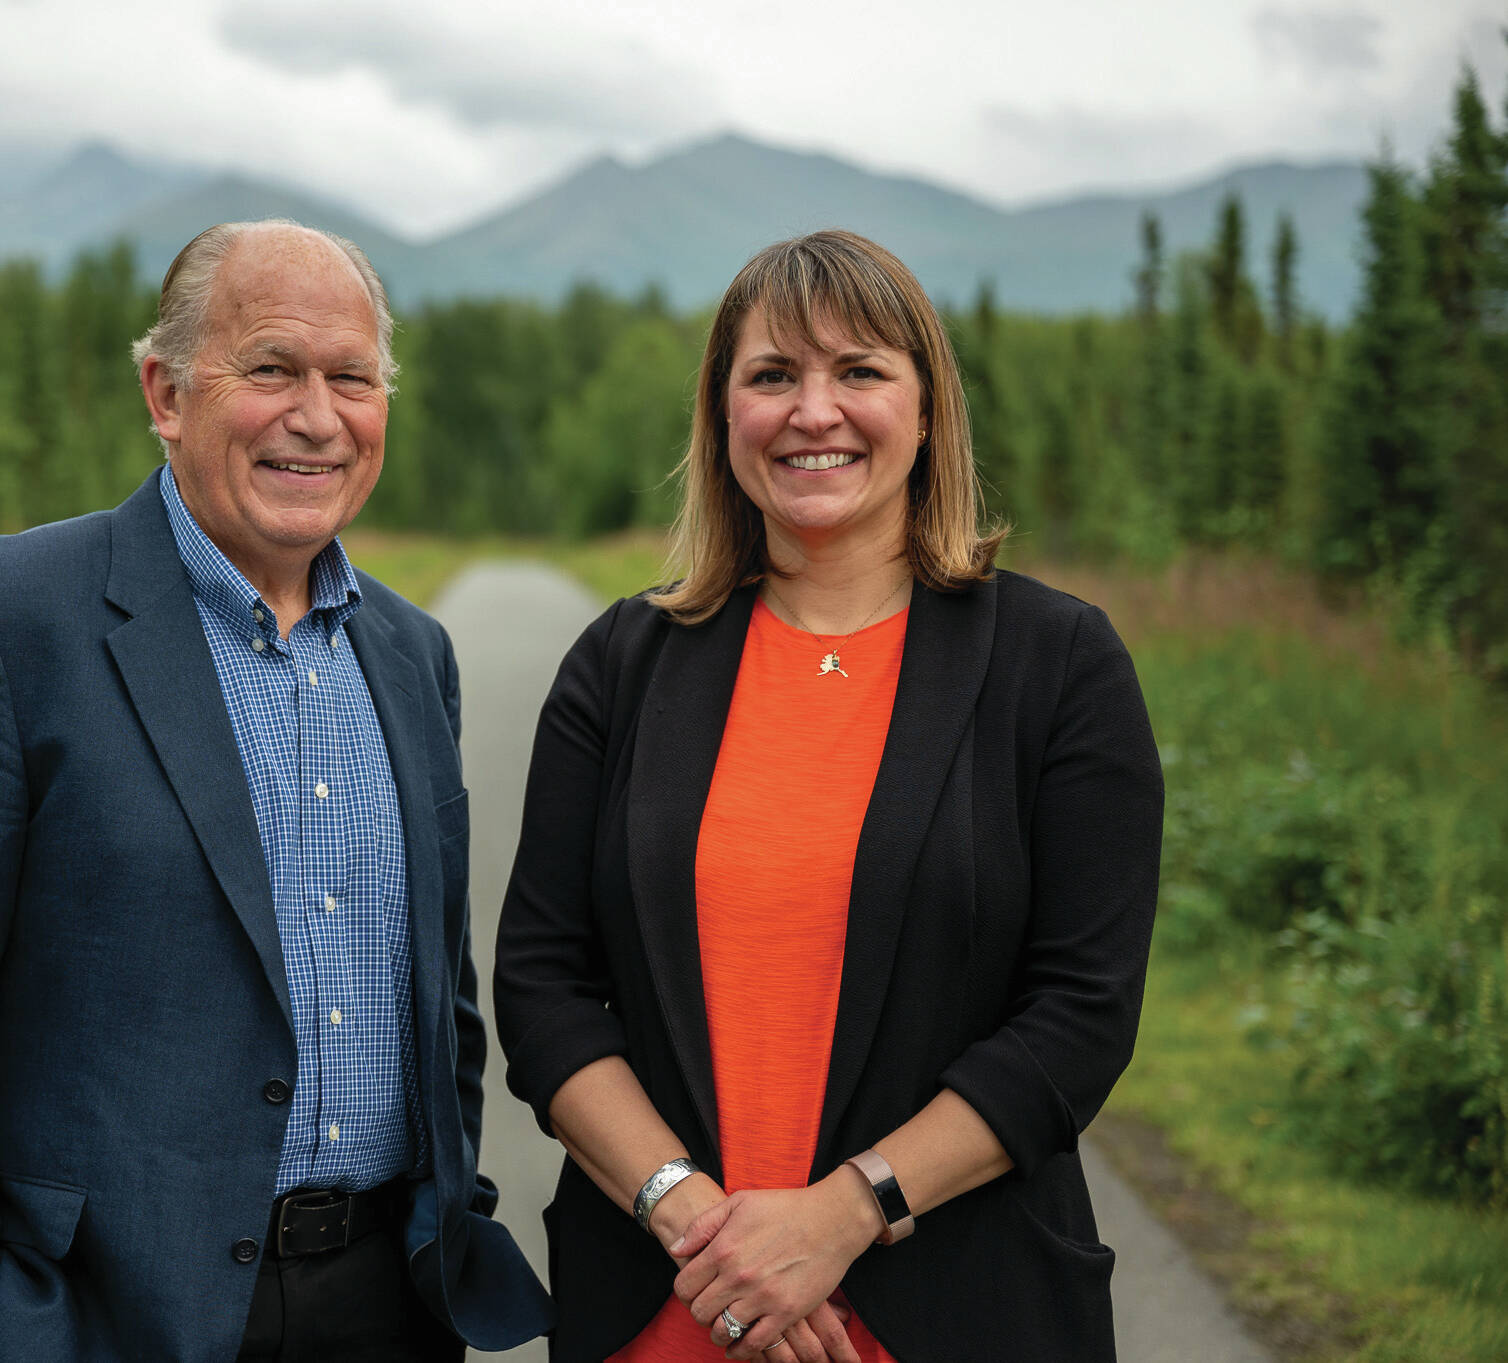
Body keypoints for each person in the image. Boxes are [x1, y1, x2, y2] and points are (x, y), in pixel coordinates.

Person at [0, 220, 549, 1363]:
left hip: (389, 1310)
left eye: (351, 377)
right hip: (108, 1320)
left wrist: (449, 1212)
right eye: (270, 368)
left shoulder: (413, 655)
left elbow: (435, 995)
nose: (317, 415)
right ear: (165, 391)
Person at [494, 229, 1164, 1363]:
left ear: (926, 407)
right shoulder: (623, 664)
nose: (815, 411)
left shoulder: (1056, 665)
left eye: (859, 371)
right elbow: (542, 986)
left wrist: (845, 1214)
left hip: (960, 1311)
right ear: (722, 418)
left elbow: (1079, 1012)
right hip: (666, 1313)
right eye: (772, 376)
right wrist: (713, 1237)